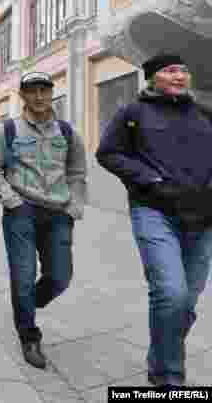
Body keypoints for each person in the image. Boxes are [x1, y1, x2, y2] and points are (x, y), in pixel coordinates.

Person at [96, 53, 212, 388]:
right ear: (151, 77)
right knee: (171, 293)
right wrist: (150, 179)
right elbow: (108, 153)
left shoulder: (204, 112)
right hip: (154, 211)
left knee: (185, 301)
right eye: (171, 70)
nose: (180, 76)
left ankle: (159, 357)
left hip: (202, 216)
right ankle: (169, 377)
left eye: (184, 70)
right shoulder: (132, 113)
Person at [0, 71, 87, 369]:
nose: (39, 96)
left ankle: (29, 301)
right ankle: (29, 336)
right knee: (23, 277)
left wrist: (74, 206)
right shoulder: (7, 131)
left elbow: (77, 172)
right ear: (23, 96)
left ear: (52, 92)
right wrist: (11, 201)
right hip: (22, 212)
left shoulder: (68, 133)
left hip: (59, 214)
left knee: (60, 277)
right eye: (32, 91)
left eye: (44, 90)